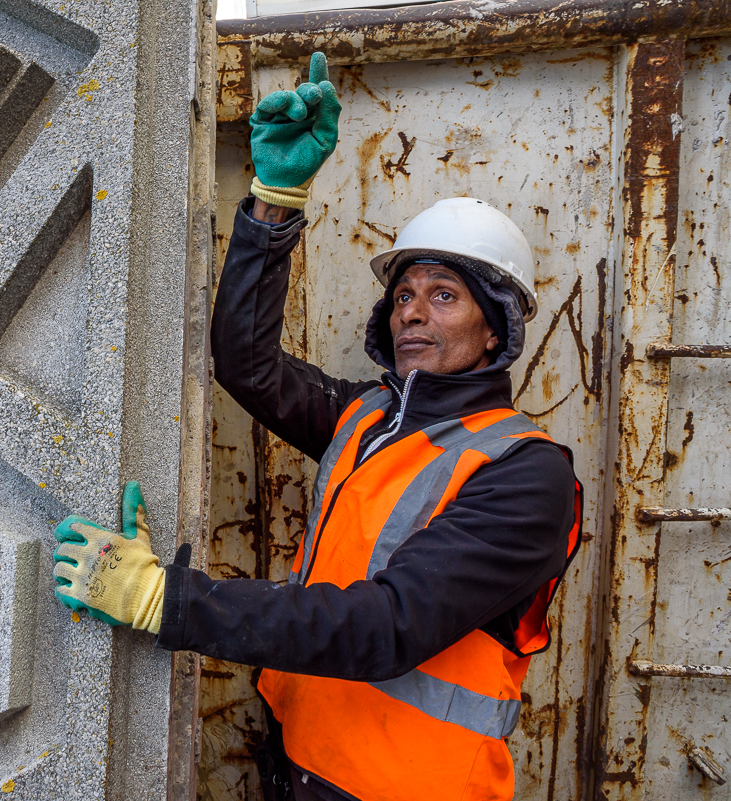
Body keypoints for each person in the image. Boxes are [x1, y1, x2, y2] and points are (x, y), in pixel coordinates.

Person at [51, 52, 581, 801]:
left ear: (495, 329)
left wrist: (164, 599)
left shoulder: (528, 474)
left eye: (444, 294)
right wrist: (273, 203)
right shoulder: (369, 416)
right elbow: (247, 364)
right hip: (300, 764)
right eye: (402, 295)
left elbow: (388, 623)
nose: (412, 311)